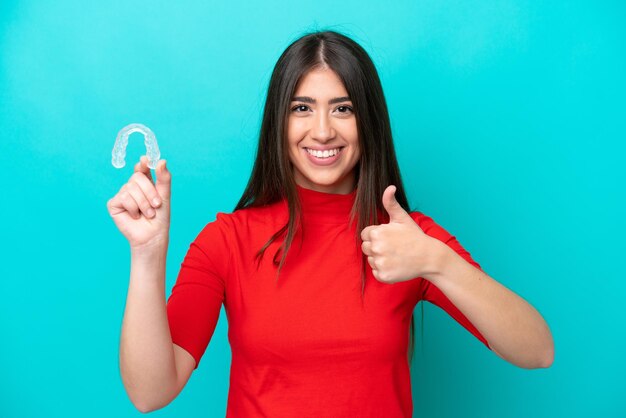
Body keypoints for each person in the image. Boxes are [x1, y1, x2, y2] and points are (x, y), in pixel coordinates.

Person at [107, 30, 554, 416]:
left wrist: (438, 262)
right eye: (302, 108)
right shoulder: (227, 241)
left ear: (368, 121)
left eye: (343, 109)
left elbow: (537, 350)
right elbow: (150, 393)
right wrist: (147, 255)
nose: (322, 131)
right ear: (277, 123)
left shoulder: (407, 240)